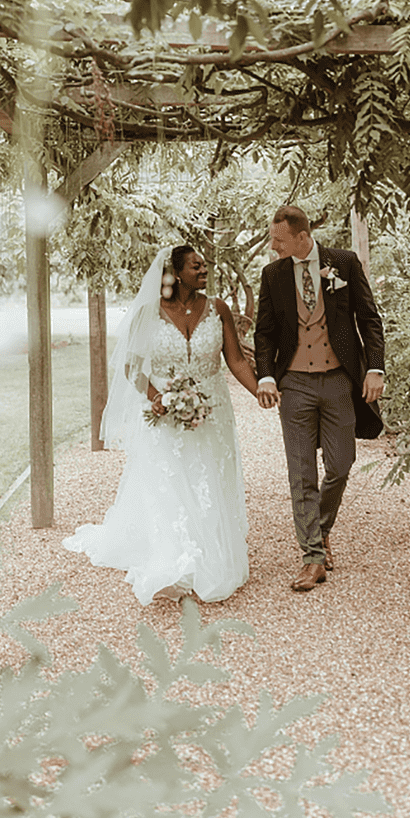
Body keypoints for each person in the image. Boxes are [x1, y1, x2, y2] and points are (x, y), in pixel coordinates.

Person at [63, 244, 258, 605]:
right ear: (175, 273)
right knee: (170, 484)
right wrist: (158, 397)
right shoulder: (148, 315)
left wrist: (259, 389)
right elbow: (132, 368)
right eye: (196, 266)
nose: (204, 271)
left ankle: (212, 550)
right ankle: (175, 561)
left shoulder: (218, 309)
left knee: (210, 480)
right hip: (166, 415)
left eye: (204, 266)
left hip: (213, 413)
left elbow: (235, 360)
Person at [253, 205, 385, 593]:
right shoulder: (272, 275)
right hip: (294, 383)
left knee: (341, 465)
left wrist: (375, 367)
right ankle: (312, 557)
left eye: (279, 240)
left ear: (302, 237)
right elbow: (264, 332)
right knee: (301, 472)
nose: (273, 246)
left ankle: (321, 528)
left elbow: (369, 319)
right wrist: (265, 375)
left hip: (339, 379)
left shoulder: (343, 263)